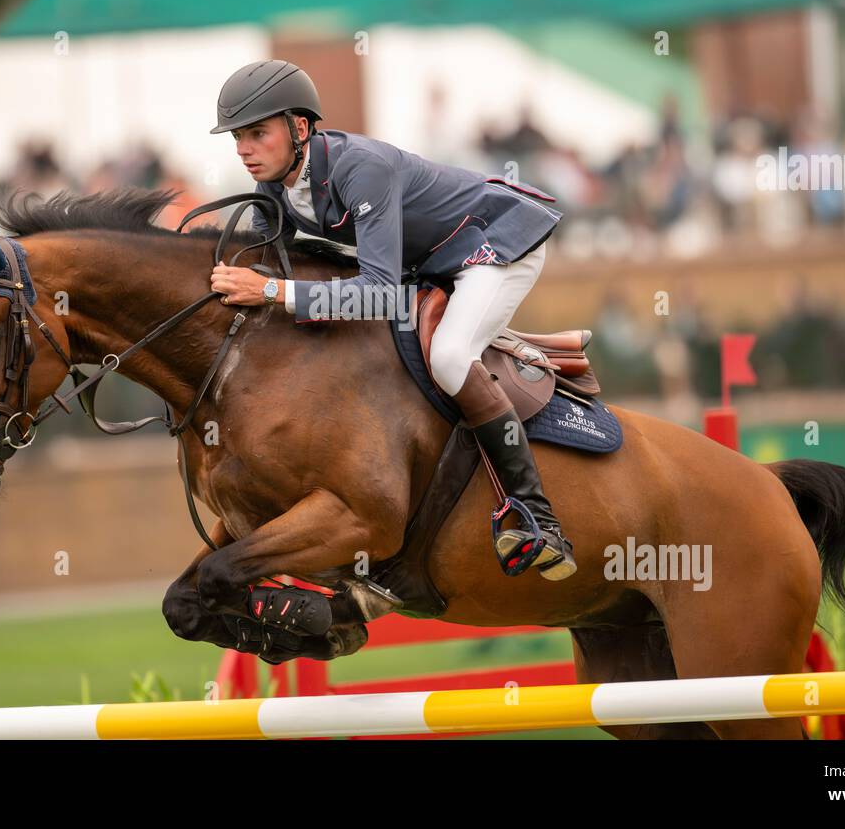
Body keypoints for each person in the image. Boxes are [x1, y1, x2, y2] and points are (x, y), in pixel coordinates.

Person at [207, 59, 575, 580]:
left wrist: (268, 290)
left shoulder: (363, 167)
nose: (244, 149)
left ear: (300, 128)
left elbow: (377, 294)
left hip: (492, 245)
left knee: (449, 358)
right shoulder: (275, 185)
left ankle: (536, 516)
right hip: (427, 264)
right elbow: (273, 264)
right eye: (238, 137)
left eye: (257, 134)